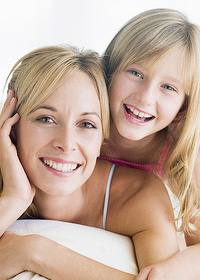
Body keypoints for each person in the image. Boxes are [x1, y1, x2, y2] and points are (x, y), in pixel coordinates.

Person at [0, 45, 179, 279]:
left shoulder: (138, 197)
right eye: (46, 119)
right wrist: (14, 198)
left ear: (102, 140)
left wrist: (36, 252)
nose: (66, 143)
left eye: (86, 124)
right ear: (13, 127)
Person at [101, 8, 200, 279]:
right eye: (135, 72)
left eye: (168, 87)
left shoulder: (183, 154)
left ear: (183, 106)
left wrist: (171, 269)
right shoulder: (80, 123)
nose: (145, 98)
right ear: (109, 70)